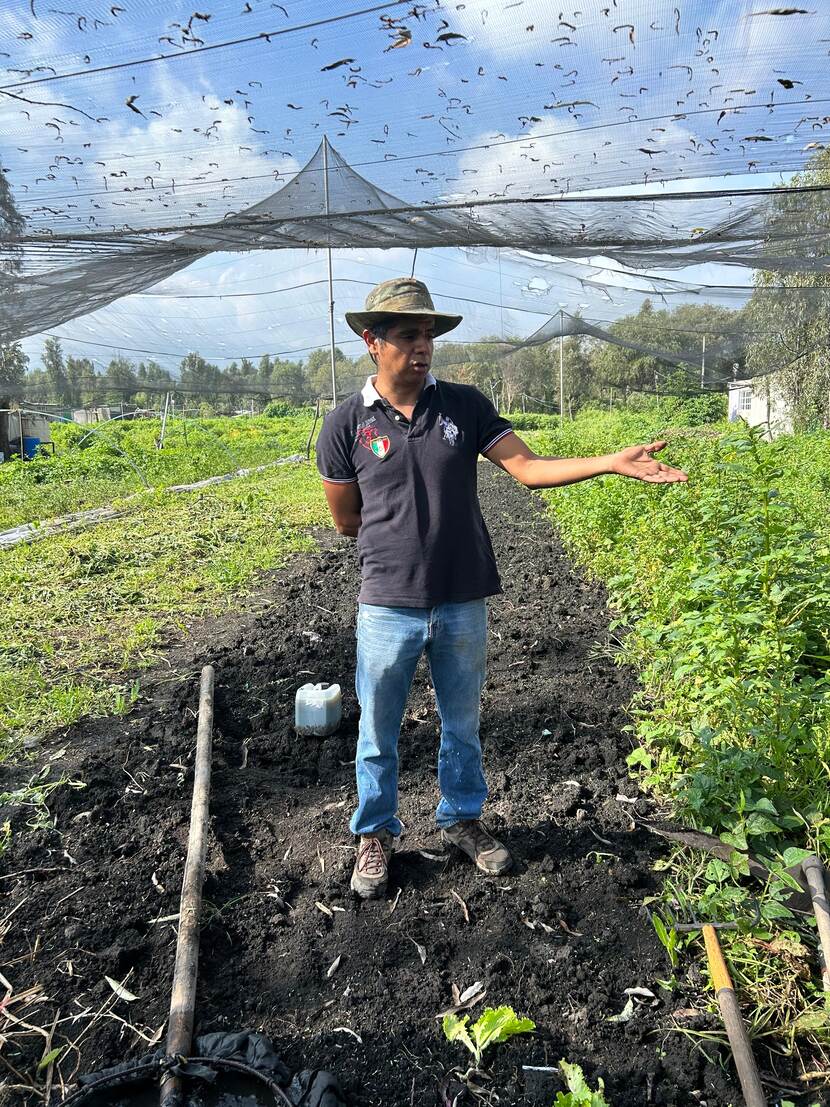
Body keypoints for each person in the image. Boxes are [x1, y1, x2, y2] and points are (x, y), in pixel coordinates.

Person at [315, 277, 687, 899]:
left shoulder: (464, 406)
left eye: (429, 333)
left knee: (461, 723)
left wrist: (607, 461)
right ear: (370, 340)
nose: (422, 345)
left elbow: (528, 468)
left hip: (462, 599)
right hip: (386, 604)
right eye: (408, 334)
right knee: (377, 731)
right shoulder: (345, 423)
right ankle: (375, 835)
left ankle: (462, 818)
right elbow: (345, 518)